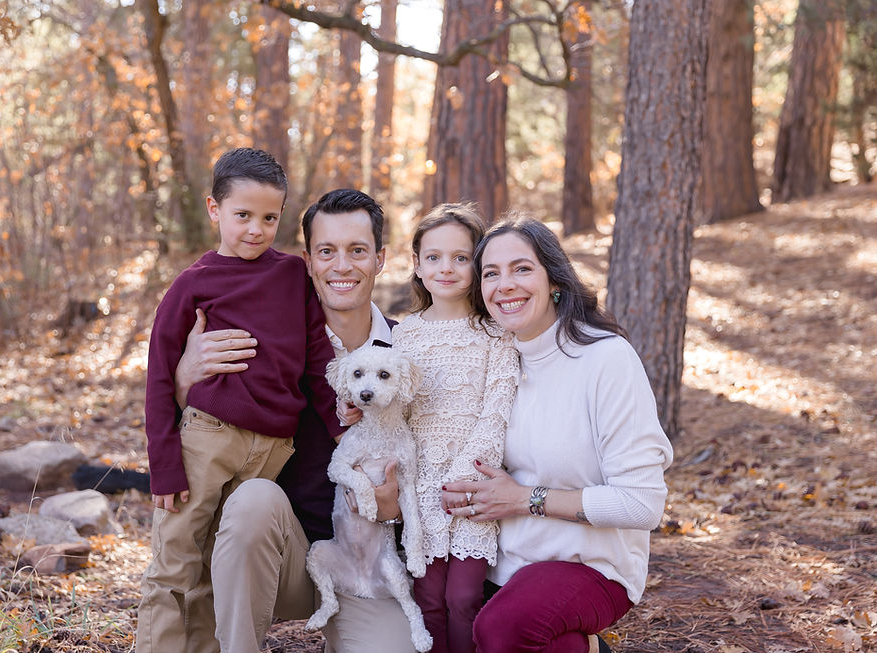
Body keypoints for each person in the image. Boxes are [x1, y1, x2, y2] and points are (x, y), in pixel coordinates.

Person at [173, 188, 418, 652]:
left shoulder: (409, 357)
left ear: (381, 259)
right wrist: (184, 381)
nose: (341, 266)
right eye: (327, 252)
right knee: (252, 499)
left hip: (370, 568)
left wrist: (396, 508)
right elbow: (202, 438)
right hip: (288, 555)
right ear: (308, 260)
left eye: (357, 251)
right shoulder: (268, 350)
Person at [137, 148, 346, 653]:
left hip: (272, 449)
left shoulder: (293, 276)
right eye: (243, 215)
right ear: (215, 209)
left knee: (220, 561)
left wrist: (340, 416)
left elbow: (318, 356)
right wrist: (164, 467)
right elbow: (160, 377)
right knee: (177, 559)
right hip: (209, 438)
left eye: (269, 218)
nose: (256, 229)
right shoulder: (193, 284)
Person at [443, 216, 674, 653]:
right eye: (491, 273)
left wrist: (524, 498)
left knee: (504, 628)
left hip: (589, 565)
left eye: (522, 268)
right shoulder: (491, 360)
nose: (504, 284)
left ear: (555, 280)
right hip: (500, 563)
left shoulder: (605, 359)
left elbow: (643, 504)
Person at [391, 204, 518, 653]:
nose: (446, 268)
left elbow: (497, 410)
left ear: (477, 265)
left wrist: (463, 478)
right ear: (417, 265)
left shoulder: (495, 333)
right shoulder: (405, 335)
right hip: (420, 482)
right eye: (434, 257)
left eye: (461, 258)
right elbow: (398, 412)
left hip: (473, 481)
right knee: (427, 596)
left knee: (463, 596)